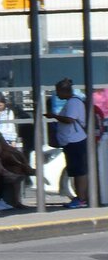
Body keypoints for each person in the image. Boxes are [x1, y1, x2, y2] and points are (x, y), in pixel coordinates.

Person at [45, 78, 90, 208]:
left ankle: (81, 199)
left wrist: (54, 116)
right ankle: (80, 197)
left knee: (79, 171)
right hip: (70, 142)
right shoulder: (71, 103)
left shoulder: (73, 103)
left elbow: (70, 119)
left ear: (64, 91)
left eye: (58, 91)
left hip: (75, 141)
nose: (57, 94)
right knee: (75, 171)